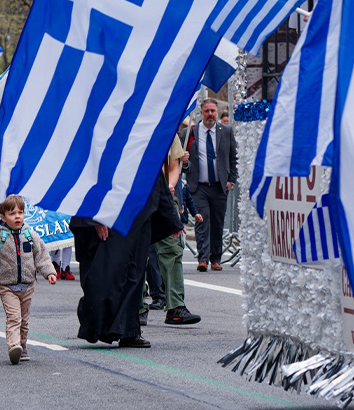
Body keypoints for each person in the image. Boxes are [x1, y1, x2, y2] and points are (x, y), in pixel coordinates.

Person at [72, 135, 186, 348]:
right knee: (104, 276)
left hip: (139, 217)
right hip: (109, 217)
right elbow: (90, 174)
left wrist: (172, 221)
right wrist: (94, 217)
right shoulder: (105, 137)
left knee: (134, 276)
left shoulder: (144, 138)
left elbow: (156, 178)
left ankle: (130, 331)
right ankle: (95, 326)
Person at [0, 195, 57, 365]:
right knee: (14, 318)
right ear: (3, 217)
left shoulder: (29, 233)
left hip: (27, 285)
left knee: (24, 321)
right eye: (12, 213)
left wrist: (49, 272)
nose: (17, 216)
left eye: (20, 212)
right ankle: (14, 346)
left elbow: (41, 255)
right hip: (7, 286)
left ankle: (22, 346)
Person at [184, 99, 237, 272]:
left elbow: (233, 157)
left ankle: (216, 259)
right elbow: (184, 160)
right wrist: (185, 164)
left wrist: (231, 180)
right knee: (202, 220)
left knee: (217, 222)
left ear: (217, 112)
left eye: (213, 111)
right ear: (201, 112)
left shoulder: (226, 131)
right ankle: (203, 259)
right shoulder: (190, 132)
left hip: (219, 186)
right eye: (206, 111)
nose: (210, 114)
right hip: (199, 186)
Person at [157, 134, 200, 326]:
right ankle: (137, 309)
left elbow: (174, 166)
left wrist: (170, 185)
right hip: (136, 197)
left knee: (173, 250)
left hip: (164, 196)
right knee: (136, 254)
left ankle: (175, 307)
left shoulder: (169, 131)